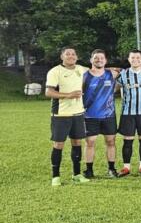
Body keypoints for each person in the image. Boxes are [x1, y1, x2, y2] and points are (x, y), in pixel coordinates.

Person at [45, 47, 91, 186]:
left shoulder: (81, 69)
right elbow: (48, 92)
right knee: (59, 144)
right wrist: (68, 95)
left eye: (73, 54)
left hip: (78, 113)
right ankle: (56, 176)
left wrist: (122, 69)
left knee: (77, 143)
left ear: (76, 57)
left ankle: (76, 174)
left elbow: (98, 70)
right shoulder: (55, 71)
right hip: (61, 114)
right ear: (62, 57)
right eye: (67, 54)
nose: (71, 56)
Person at [116, 50, 141, 177]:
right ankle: (126, 167)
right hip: (128, 112)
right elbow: (113, 86)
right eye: (132, 58)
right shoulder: (123, 74)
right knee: (128, 140)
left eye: (138, 57)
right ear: (129, 59)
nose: (135, 60)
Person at [82, 49, 119, 179]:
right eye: (96, 58)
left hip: (109, 115)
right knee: (90, 142)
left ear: (106, 60)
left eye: (102, 58)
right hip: (90, 116)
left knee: (110, 141)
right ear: (91, 60)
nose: (99, 60)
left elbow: (128, 69)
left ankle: (111, 169)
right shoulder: (85, 76)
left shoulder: (112, 74)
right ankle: (89, 170)